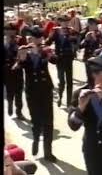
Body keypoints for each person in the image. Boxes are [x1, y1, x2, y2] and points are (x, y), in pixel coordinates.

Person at [13, 27, 57, 162]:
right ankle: (36, 139)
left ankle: (48, 151)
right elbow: (16, 68)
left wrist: (50, 54)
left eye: (39, 38)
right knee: (36, 120)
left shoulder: (45, 50)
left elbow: (55, 60)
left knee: (48, 122)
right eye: (32, 38)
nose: (35, 41)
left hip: (45, 90)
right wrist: (22, 58)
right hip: (32, 92)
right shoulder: (23, 50)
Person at [45, 15, 78, 107]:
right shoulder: (55, 31)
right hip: (59, 59)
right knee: (61, 81)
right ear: (60, 22)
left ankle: (68, 101)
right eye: (63, 21)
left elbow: (76, 42)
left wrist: (70, 36)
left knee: (69, 81)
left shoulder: (71, 31)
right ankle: (60, 96)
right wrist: (47, 41)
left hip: (68, 58)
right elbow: (48, 42)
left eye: (66, 21)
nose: (65, 23)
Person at [4, 22, 26, 120]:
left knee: (19, 93)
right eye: (8, 31)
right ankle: (9, 104)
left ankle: (19, 111)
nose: (10, 33)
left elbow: (24, 54)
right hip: (7, 72)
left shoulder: (19, 41)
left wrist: (17, 44)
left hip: (18, 71)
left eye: (12, 31)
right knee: (9, 92)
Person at [79, 18, 102, 83]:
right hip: (88, 57)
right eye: (95, 25)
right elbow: (79, 46)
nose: (96, 27)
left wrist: (97, 39)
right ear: (90, 25)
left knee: (97, 77)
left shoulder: (99, 33)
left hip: (97, 57)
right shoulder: (84, 33)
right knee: (90, 77)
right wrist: (86, 40)